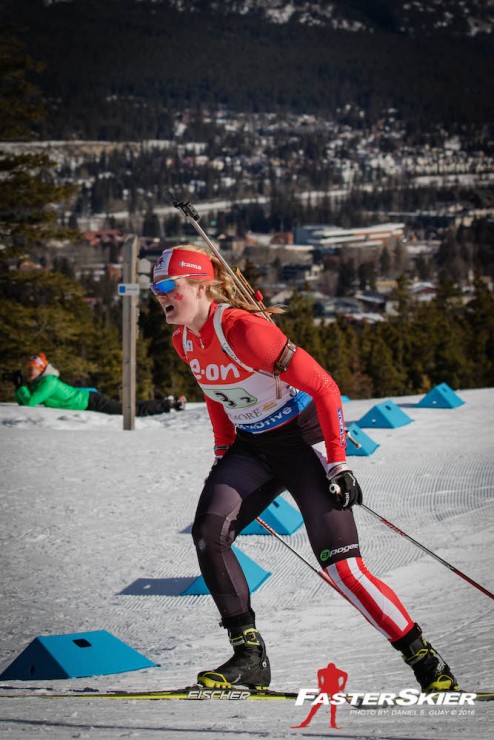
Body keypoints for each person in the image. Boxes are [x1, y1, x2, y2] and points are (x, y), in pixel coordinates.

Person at [151, 244, 458, 693]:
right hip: (252, 448)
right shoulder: (184, 340)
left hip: (303, 443)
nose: (159, 295)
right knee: (209, 534)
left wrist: (338, 462)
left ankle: (424, 660)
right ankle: (249, 656)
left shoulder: (245, 330)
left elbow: (325, 387)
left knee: (343, 569)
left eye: (166, 285)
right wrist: (222, 451)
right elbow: (213, 391)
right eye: (154, 287)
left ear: (199, 285)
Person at [5, 354, 185, 415]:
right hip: (87, 399)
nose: (29, 373)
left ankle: (168, 405)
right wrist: (19, 386)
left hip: (89, 401)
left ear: (41, 369)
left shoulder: (48, 382)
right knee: (126, 407)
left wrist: (20, 386)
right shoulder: (41, 382)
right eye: (28, 370)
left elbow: (29, 402)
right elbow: (25, 403)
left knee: (129, 412)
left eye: (32, 370)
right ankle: (167, 402)